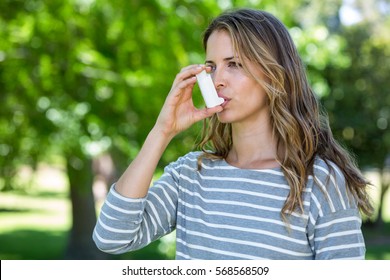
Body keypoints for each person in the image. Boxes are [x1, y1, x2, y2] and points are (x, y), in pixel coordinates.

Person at [92, 8, 373, 259]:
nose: (217, 80)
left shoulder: (320, 182)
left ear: (276, 74)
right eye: (211, 67)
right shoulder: (190, 174)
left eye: (234, 64)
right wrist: (161, 131)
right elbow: (111, 237)